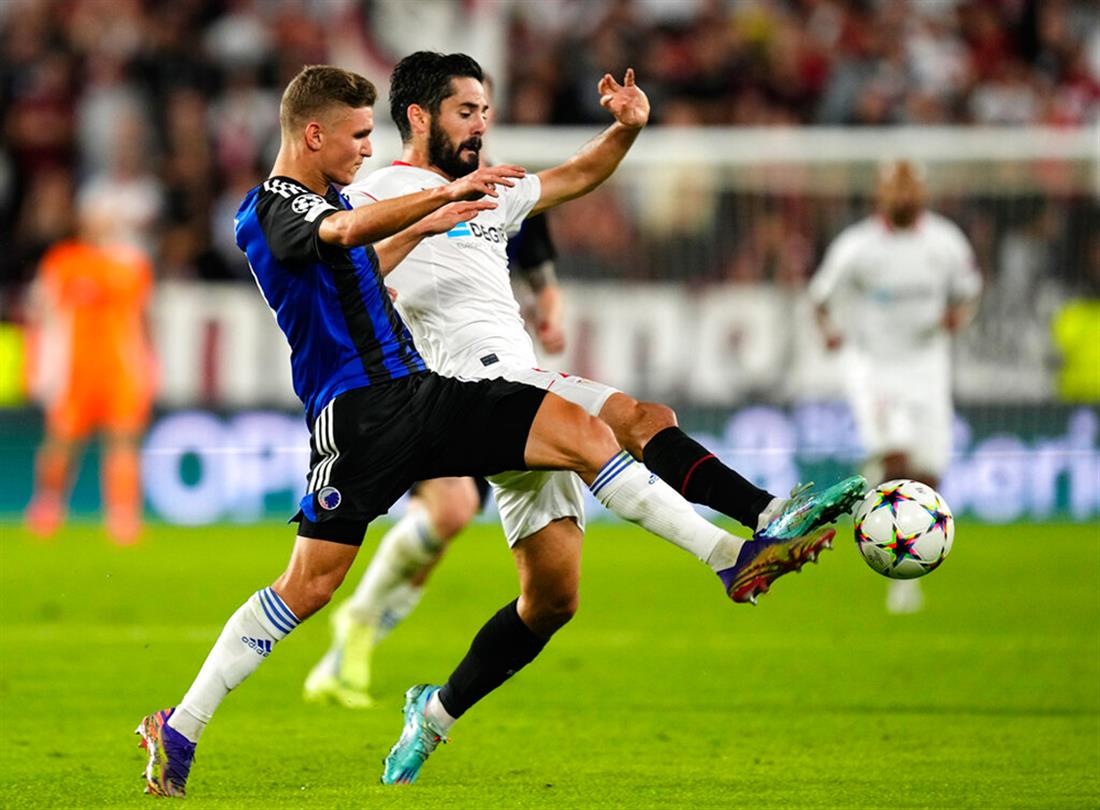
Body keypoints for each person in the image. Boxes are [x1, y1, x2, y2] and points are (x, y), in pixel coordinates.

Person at [135, 64, 859, 798]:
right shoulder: (275, 204)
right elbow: (343, 233)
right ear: (314, 134)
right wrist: (440, 198)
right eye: (356, 136)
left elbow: (357, 267)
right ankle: (182, 723)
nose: (366, 148)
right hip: (360, 413)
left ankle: (728, 558)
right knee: (309, 585)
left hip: (419, 396)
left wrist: (429, 225)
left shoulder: (336, 201)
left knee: (561, 548)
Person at [302, 52, 866, 716]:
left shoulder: (488, 187)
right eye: (465, 111)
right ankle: (759, 526)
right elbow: (340, 276)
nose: (481, 124)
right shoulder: (375, 197)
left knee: (551, 602)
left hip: (515, 399)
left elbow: (575, 175)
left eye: (485, 111)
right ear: (419, 116)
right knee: (639, 417)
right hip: (473, 389)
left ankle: (431, 716)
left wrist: (625, 129)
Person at [809, 160, 981, 614]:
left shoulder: (945, 242)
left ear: (922, 193)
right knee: (898, 460)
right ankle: (901, 571)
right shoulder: (857, 246)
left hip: (927, 365)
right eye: (895, 189)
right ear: (880, 194)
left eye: (910, 189)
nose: (903, 197)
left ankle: (872, 494)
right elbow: (820, 296)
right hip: (874, 365)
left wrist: (958, 317)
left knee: (930, 474)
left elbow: (969, 290)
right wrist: (830, 332)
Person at [24, 194, 157, 545]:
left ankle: (123, 514)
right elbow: (42, 312)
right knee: (62, 441)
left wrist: (148, 363)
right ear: (83, 221)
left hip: (119, 368)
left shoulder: (131, 265)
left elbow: (142, 319)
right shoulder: (63, 262)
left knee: (123, 440)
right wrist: (40, 366)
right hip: (75, 370)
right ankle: (48, 504)